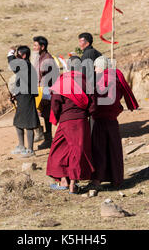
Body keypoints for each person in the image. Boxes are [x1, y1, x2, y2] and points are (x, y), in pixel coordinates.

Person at [46, 56, 96, 194]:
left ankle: (64, 181)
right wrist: (86, 113)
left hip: (66, 121)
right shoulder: (86, 82)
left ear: (68, 67)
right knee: (77, 152)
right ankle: (73, 183)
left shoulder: (62, 81)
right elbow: (93, 104)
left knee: (59, 150)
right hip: (81, 121)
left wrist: (56, 117)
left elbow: (55, 103)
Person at [90, 56, 138, 189]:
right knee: (114, 150)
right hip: (112, 120)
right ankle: (116, 179)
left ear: (102, 67)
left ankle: (97, 180)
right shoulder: (115, 79)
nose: (95, 70)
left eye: (96, 67)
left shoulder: (103, 80)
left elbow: (99, 101)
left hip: (101, 120)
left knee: (99, 150)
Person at [8, 45, 40, 158]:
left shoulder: (25, 64)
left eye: (18, 55)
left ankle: (30, 150)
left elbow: (12, 64)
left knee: (29, 123)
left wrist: (10, 52)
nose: (16, 57)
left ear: (24, 55)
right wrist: (16, 94)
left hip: (27, 97)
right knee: (18, 122)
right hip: (22, 96)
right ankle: (21, 146)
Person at [32, 36, 58, 150]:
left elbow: (47, 80)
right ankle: (47, 138)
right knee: (44, 115)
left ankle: (48, 140)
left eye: (36, 45)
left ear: (42, 47)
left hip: (46, 91)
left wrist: (45, 97)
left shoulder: (47, 59)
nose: (34, 47)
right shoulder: (40, 58)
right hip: (40, 90)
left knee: (47, 115)